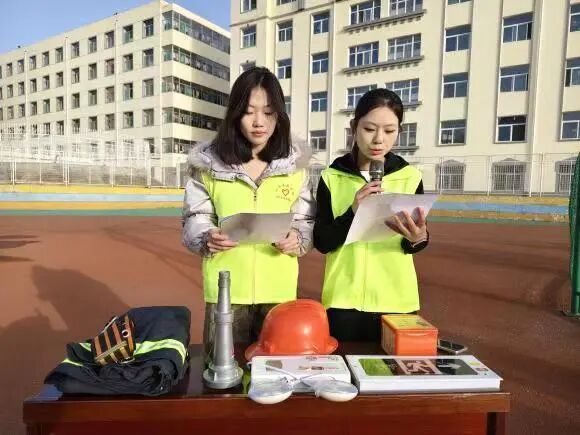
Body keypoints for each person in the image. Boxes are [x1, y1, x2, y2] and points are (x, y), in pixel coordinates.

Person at [182, 67, 315, 355]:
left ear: (279, 115)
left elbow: (305, 220)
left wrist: (297, 238)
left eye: (268, 112)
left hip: (279, 292)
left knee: (277, 370)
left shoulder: (296, 168)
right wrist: (207, 236)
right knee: (222, 370)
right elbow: (196, 217)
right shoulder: (208, 165)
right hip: (226, 292)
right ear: (234, 114)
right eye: (248, 112)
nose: (259, 122)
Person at [313, 88, 429, 342]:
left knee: (394, 368)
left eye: (389, 131)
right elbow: (322, 242)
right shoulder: (331, 178)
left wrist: (419, 238)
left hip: (397, 300)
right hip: (343, 301)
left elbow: (412, 243)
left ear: (399, 131)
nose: (378, 140)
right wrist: (353, 211)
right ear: (354, 127)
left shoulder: (411, 177)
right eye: (369, 129)